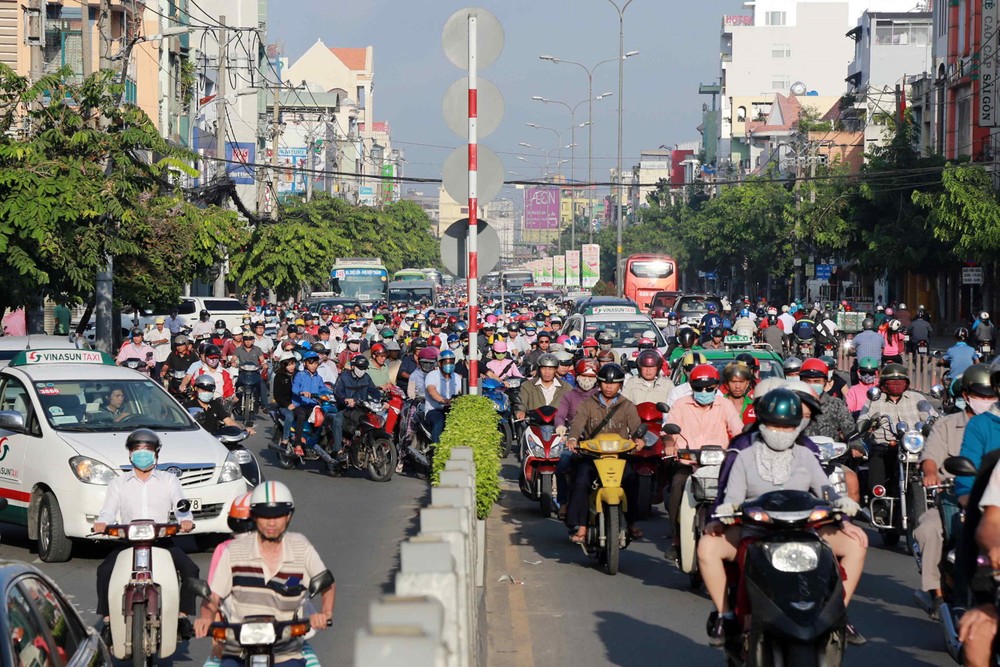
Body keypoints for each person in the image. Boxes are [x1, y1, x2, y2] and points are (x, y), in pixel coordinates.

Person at [698, 389, 864, 645]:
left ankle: (838, 612)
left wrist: (843, 510)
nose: (780, 431)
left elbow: (826, 490)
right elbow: (731, 496)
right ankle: (726, 614)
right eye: (774, 425)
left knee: (857, 543)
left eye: (787, 426)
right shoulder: (744, 455)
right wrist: (724, 514)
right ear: (761, 422)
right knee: (707, 547)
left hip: (805, 531)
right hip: (755, 532)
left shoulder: (807, 455)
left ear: (798, 426)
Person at [194, 481, 335, 666]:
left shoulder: (301, 548)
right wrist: (205, 618)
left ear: (289, 516)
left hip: (286, 651)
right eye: (264, 516)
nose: (272, 522)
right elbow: (212, 597)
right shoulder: (234, 551)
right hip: (238, 650)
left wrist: (325, 613)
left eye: (278, 515)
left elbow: (327, 584)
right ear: (254, 517)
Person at [94, 429, 198, 646]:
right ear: (130, 454)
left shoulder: (169, 480)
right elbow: (108, 511)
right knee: (104, 571)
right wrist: (102, 522)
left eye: (147, 450)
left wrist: (185, 519)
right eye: (137, 450)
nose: (143, 454)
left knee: (190, 569)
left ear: (156, 454)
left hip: (161, 541)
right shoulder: (118, 483)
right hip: (128, 542)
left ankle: (182, 616)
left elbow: (180, 504)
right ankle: (107, 620)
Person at [913, 365, 992, 618]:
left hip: (991, 500)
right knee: (928, 530)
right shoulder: (946, 425)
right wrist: (930, 473)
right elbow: (931, 456)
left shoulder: (994, 426)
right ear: (967, 395)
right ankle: (936, 593)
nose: (987, 400)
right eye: (982, 395)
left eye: (992, 395)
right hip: (951, 497)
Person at [662, 364, 744, 561]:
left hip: (718, 464)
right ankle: (676, 538)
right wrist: (669, 445)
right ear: (692, 387)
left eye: (709, 388)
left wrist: (743, 446)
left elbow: (738, 430)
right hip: (687, 461)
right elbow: (667, 431)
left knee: (737, 491)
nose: (704, 392)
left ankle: (734, 535)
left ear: (716, 387)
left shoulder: (725, 405)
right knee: (677, 486)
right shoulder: (681, 404)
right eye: (699, 388)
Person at [564, 363, 644, 543]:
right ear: (599, 384)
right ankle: (582, 526)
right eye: (605, 383)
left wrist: (639, 440)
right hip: (592, 456)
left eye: (614, 383)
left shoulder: (627, 405)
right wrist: (572, 439)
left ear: (620, 385)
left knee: (632, 479)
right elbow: (577, 423)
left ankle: (631, 523)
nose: (609, 386)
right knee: (581, 479)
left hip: (620, 457)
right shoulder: (588, 404)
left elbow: (637, 428)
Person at [859, 364, 937, 522]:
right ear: (883, 384)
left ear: (907, 383)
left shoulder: (917, 399)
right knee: (877, 459)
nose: (896, 384)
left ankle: (937, 498)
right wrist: (869, 424)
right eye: (892, 381)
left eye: (900, 380)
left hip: (915, 446)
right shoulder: (874, 400)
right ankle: (879, 503)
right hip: (888, 446)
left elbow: (930, 415)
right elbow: (863, 420)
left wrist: (934, 422)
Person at [331, 355, 380, 457]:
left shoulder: (366, 377)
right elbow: (337, 392)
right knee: (337, 420)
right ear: (353, 366)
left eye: (364, 368)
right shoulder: (343, 377)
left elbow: (374, 391)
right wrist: (345, 399)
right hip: (345, 409)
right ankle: (338, 448)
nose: (362, 370)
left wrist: (381, 399)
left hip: (362, 409)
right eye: (360, 368)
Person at [799, 358, 856, 442]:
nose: (812, 385)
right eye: (808, 381)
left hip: (831, 452)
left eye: (817, 381)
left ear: (825, 382)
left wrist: (856, 445)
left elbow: (849, 429)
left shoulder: (836, 404)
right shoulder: (794, 404)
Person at [292, 351, 335, 457]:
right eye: (311, 363)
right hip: (300, 405)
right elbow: (294, 388)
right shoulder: (300, 375)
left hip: (314, 405)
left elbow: (324, 389)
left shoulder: (318, 378)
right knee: (301, 416)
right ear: (305, 363)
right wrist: (301, 393)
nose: (313, 365)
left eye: (315, 363)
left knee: (325, 417)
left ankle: (316, 441)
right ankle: (297, 444)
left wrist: (333, 393)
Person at [186, 375, 255, 435]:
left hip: (214, 441)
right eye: (204, 390)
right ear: (196, 389)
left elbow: (229, 422)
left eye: (209, 390)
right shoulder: (188, 406)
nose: (207, 392)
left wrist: (244, 429)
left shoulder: (215, 404)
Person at [514, 353, 570, 421]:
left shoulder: (566, 387)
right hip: (535, 425)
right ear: (539, 369)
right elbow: (522, 403)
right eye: (544, 368)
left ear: (555, 370)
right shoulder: (527, 386)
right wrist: (520, 411)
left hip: (558, 427)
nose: (547, 372)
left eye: (550, 368)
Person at [423, 349, 461, 443]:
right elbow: (432, 391)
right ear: (440, 363)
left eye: (452, 362)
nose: (450, 365)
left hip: (452, 409)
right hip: (434, 410)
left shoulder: (456, 377)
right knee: (439, 422)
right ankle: (437, 450)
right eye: (447, 362)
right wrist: (444, 400)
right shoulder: (432, 375)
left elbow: (461, 392)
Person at [233, 331, 268, 407]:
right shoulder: (238, 350)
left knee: (262, 385)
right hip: (242, 372)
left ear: (253, 340)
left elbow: (262, 359)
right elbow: (233, 359)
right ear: (243, 340)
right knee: (235, 384)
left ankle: (265, 405)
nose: (248, 341)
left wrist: (264, 364)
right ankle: (234, 402)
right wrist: (232, 363)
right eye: (246, 339)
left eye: (250, 339)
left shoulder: (258, 349)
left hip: (255, 372)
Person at [272, 352, 298, 449]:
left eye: (293, 364)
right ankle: (285, 439)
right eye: (288, 364)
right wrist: (287, 405)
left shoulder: (299, 374)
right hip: (284, 405)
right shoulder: (279, 376)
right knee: (289, 416)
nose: (291, 367)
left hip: (298, 403)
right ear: (284, 365)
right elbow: (277, 395)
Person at [848, 317, 884, 383]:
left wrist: (853, 352)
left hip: (862, 366)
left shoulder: (858, 336)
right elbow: (883, 349)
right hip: (876, 365)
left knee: (853, 370)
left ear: (863, 326)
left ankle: (855, 386)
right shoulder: (879, 336)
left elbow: (851, 349)